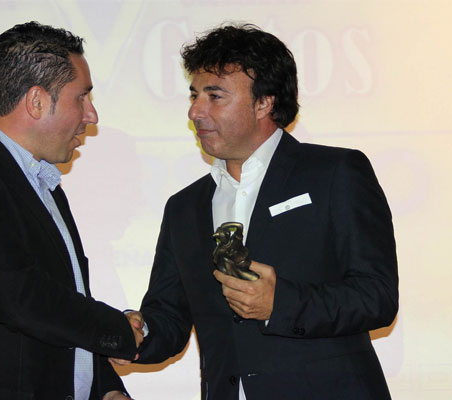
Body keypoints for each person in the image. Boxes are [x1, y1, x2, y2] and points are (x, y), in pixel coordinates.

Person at [117, 24, 399, 399]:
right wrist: (137, 332)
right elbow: (169, 318)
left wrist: (278, 304)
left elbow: (376, 296)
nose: (195, 110)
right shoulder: (184, 208)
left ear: (265, 101)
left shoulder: (336, 173)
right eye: (195, 94)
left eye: (214, 96)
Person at [0, 22, 142, 400]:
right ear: (36, 102)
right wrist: (116, 330)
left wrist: (104, 388)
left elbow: (61, 308)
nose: (92, 115)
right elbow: (18, 296)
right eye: (81, 97)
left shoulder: (40, 181)